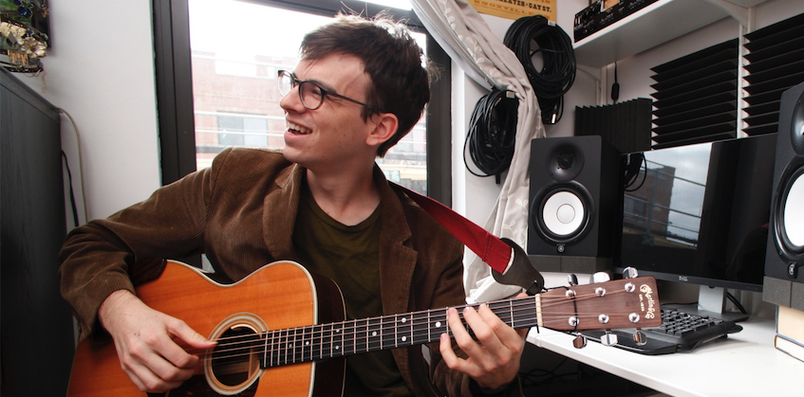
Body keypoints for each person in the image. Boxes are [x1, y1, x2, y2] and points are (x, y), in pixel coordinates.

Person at [59, 13, 527, 397]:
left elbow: (448, 376)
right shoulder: (234, 180)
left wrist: (493, 378)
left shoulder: (432, 240)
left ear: (379, 129)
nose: (287, 101)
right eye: (293, 82)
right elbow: (90, 244)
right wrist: (124, 315)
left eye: (316, 93)